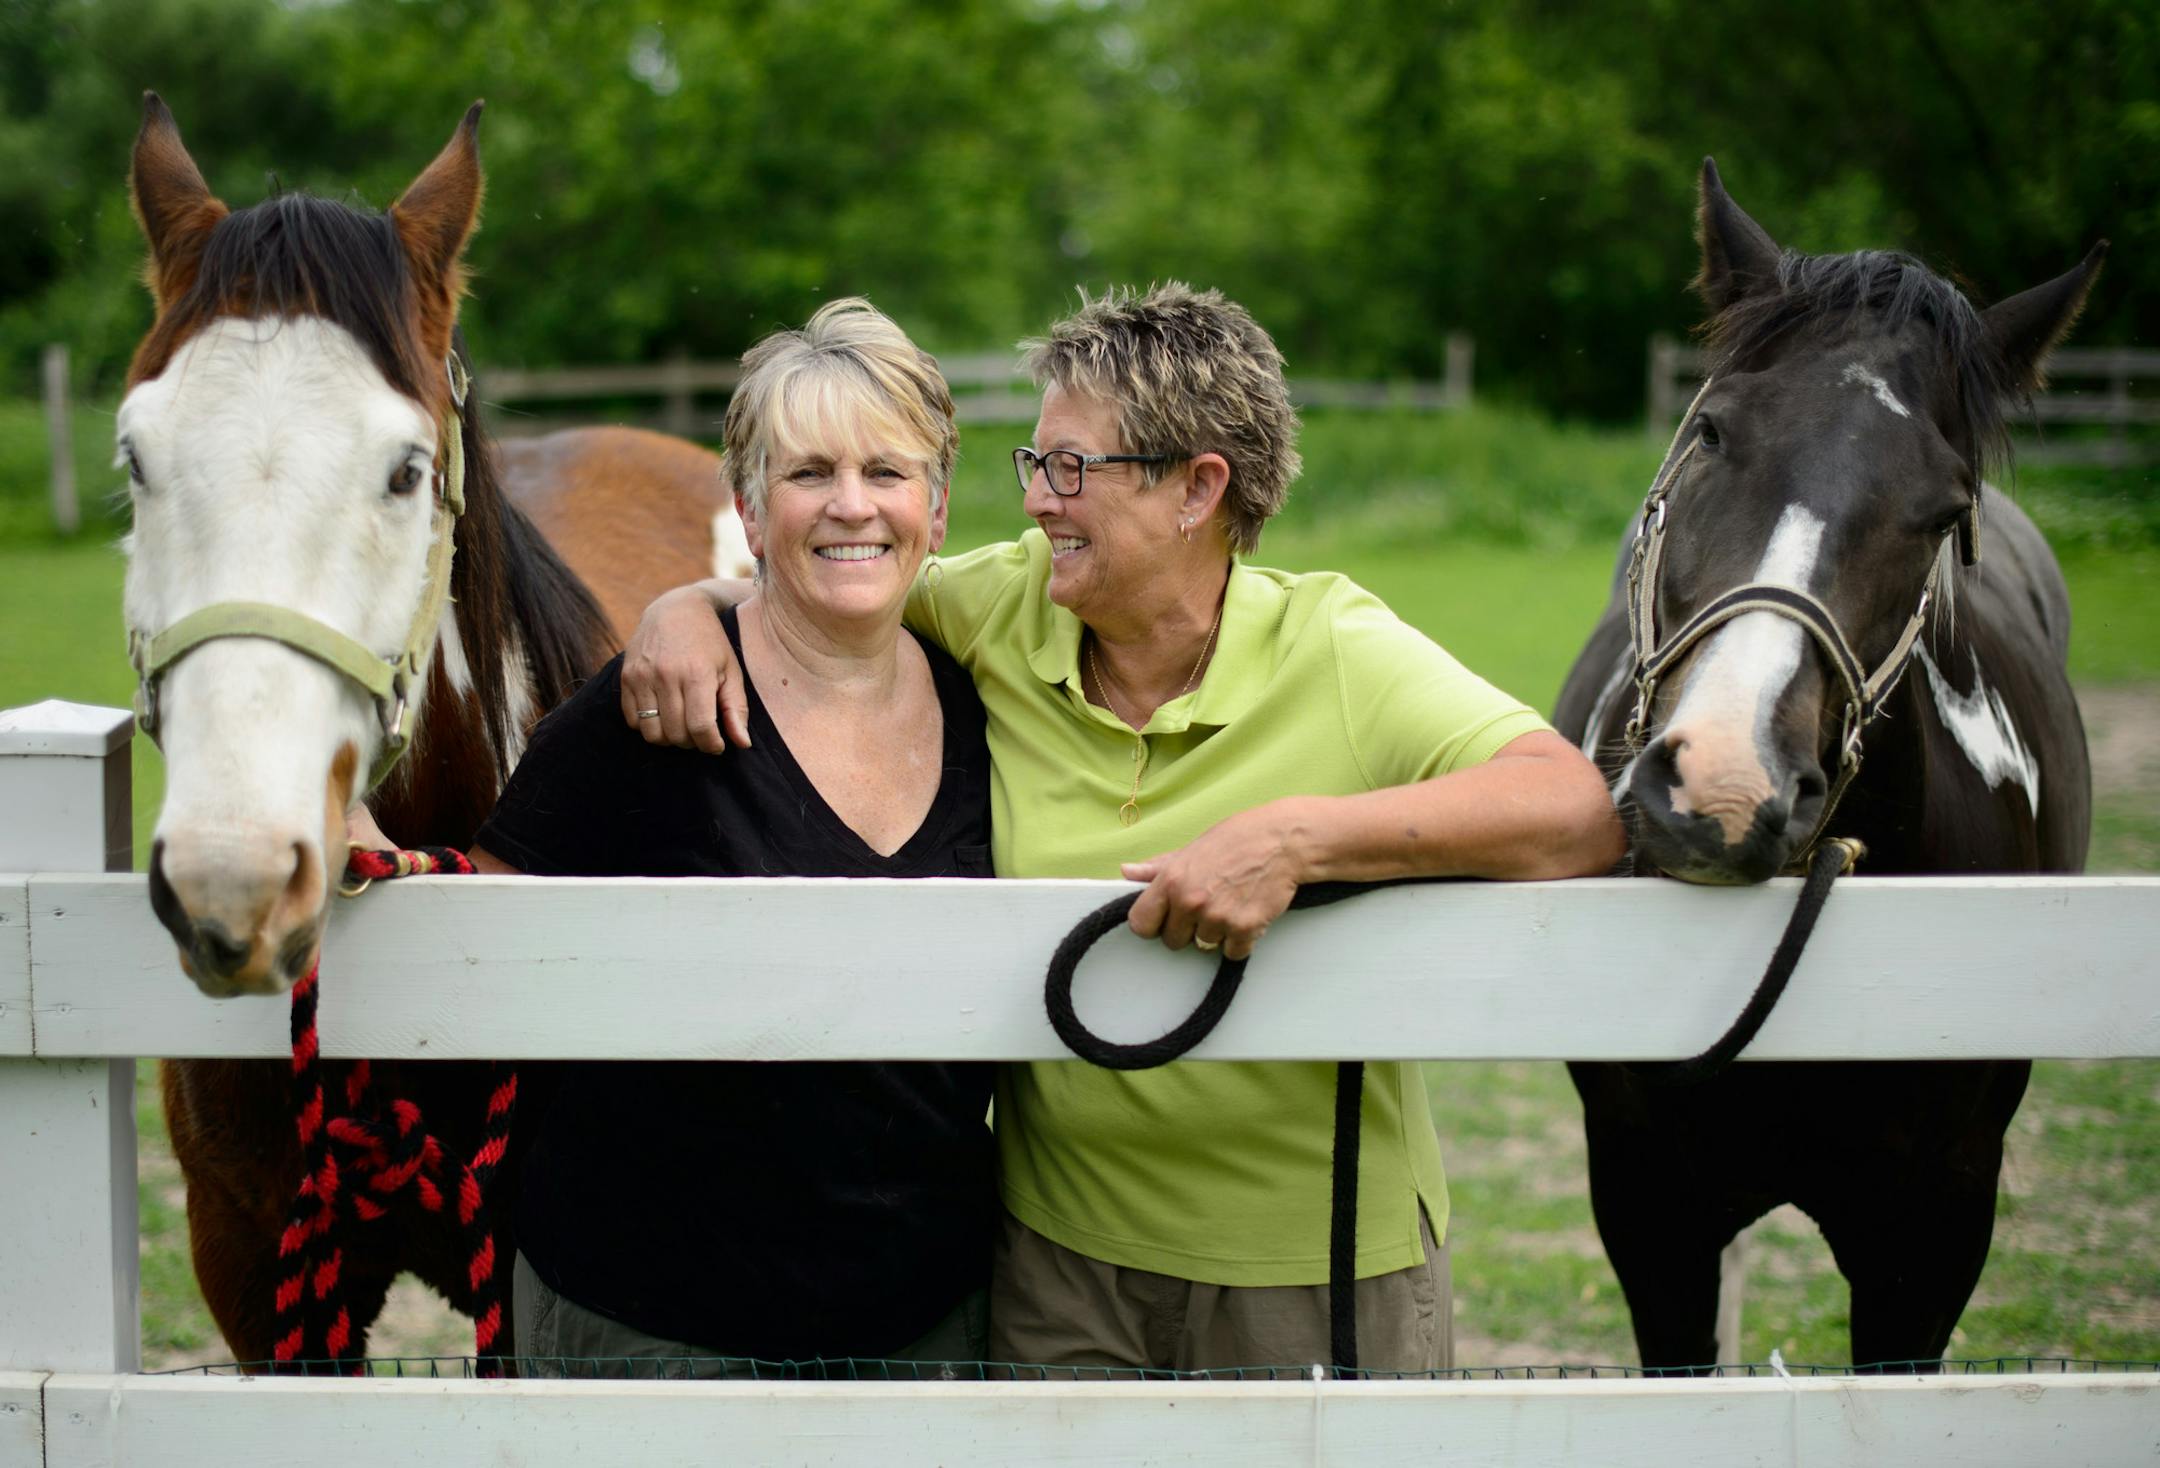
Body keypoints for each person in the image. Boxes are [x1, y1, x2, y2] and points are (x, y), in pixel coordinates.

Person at [621, 284, 1625, 1373]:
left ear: (1197, 489)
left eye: (1072, 468)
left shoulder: (1337, 648)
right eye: (1035, 466)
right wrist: (683, 609)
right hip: (1058, 1267)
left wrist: (1300, 837)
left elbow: (1571, 810)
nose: (1041, 503)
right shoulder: (1003, 607)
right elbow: (832, 575)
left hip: (1311, 1269)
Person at [468, 299, 997, 1375]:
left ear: (936, 513)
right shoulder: (652, 707)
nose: (852, 505)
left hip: (927, 1334)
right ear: (750, 513)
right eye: (808, 473)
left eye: (887, 472)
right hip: (655, 1335)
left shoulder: (990, 707)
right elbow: (473, 924)